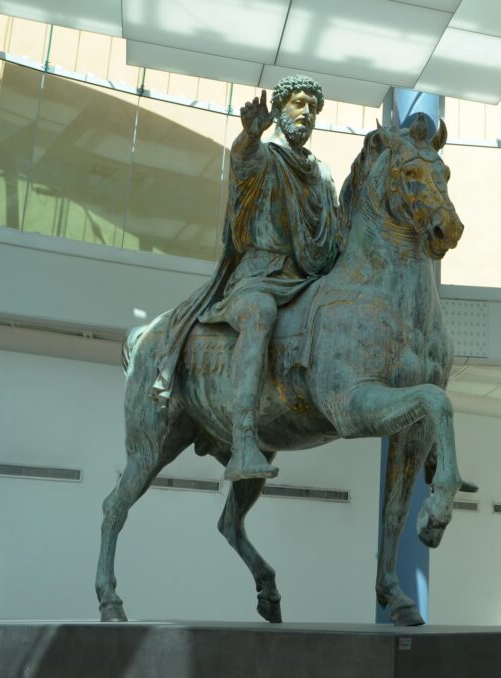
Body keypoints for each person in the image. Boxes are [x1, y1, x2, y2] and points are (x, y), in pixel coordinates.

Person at [151, 75, 343, 481]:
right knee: (259, 314)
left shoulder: (322, 174)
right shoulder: (265, 156)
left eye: (313, 107)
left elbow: (334, 234)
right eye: (299, 103)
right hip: (256, 279)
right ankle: (242, 440)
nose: (307, 112)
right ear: (279, 109)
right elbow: (243, 162)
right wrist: (248, 136)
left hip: (306, 280)